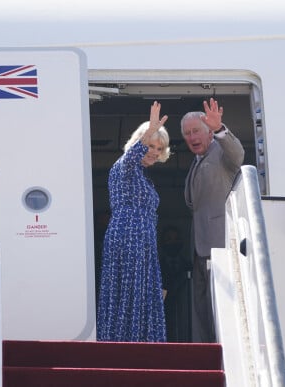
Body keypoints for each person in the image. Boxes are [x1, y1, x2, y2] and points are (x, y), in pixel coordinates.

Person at [97, 101, 170, 342]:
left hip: (143, 241)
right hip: (128, 237)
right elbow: (131, 157)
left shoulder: (142, 176)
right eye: (150, 145)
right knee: (128, 292)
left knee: (141, 293)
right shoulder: (124, 167)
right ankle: (123, 342)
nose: (154, 151)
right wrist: (150, 130)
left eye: (159, 148)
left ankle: (141, 342)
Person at [182, 98, 245, 343]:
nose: (191, 137)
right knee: (202, 310)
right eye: (187, 134)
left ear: (209, 131)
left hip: (219, 244)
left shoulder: (220, 152)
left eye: (196, 130)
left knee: (219, 308)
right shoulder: (196, 161)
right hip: (199, 249)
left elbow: (238, 155)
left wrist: (220, 130)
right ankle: (203, 354)